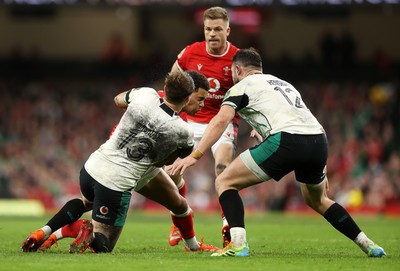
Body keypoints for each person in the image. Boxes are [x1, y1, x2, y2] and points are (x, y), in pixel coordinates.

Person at [169, 48, 387, 257]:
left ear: (237, 70)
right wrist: (323, 167)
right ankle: (367, 244)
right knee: (319, 200)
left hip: (287, 140)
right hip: (318, 142)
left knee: (225, 181)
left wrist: (195, 155)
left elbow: (221, 120)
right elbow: (308, 122)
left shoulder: (241, 86)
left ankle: (238, 245)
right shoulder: (284, 84)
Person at [21, 72, 219, 254]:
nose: (203, 105)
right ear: (187, 97)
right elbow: (165, 161)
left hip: (93, 166)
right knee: (103, 245)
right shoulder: (183, 131)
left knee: (86, 201)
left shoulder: (145, 95)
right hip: (119, 180)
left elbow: (118, 100)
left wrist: (135, 115)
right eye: (200, 99)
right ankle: (82, 229)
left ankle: (45, 232)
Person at [169, 6, 240, 248]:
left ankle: (227, 224)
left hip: (222, 122)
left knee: (223, 168)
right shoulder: (190, 53)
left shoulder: (238, 60)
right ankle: (178, 220)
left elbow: (252, 93)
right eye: (208, 29)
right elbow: (173, 83)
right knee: (172, 171)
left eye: (217, 29)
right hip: (190, 120)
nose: (212, 34)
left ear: (227, 30)